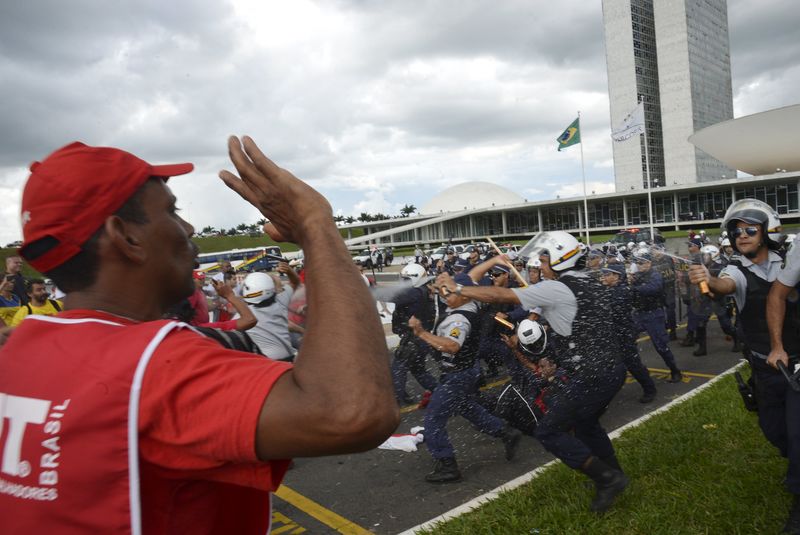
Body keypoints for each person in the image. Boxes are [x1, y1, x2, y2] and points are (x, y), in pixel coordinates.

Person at [0, 138, 398, 533]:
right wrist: (316, 225)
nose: (189, 228)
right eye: (173, 212)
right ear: (126, 237)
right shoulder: (150, 367)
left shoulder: (19, 351)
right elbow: (350, 413)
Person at [437, 231, 628, 513]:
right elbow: (578, 324)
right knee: (587, 424)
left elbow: (502, 294)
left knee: (549, 431)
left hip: (591, 375)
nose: (539, 266)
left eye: (544, 260)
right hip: (609, 369)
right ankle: (612, 473)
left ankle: (606, 478)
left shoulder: (559, 288)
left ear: (561, 259)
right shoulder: (588, 280)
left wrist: (459, 289)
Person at [689, 199, 799, 534]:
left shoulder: (790, 261)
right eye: (736, 231)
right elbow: (723, 286)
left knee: (797, 434)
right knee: (775, 431)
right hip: (763, 368)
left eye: (750, 229)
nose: (742, 236)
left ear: (768, 232)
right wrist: (706, 279)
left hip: (797, 363)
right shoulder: (734, 270)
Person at [409, 273, 521, 483]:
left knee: (433, 419)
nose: (444, 295)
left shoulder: (460, 319)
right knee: (468, 409)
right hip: (466, 371)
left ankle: (447, 465)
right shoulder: (462, 306)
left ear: (465, 296)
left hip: (458, 375)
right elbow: (469, 277)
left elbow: (452, 346)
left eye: (450, 292)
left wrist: (421, 333)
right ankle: (505, 432)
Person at [599, 263, 658, 402]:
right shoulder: (611, 290)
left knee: (632, 363)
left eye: (607, 274)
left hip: (623, 334)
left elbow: (611, 310)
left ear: (616, 276)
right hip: (615, 334)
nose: (604, 277)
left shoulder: (621, 292)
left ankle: (650, 388)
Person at [389, 263, 438, 406]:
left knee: (398, 369)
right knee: (418, 370)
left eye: (406, 279)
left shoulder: (415, 292)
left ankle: (395, 400)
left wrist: (363, 289)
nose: (403, 282)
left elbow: (389, 295)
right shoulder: (421, 291)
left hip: (414, 339)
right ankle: (440, 391)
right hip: (420, 338)